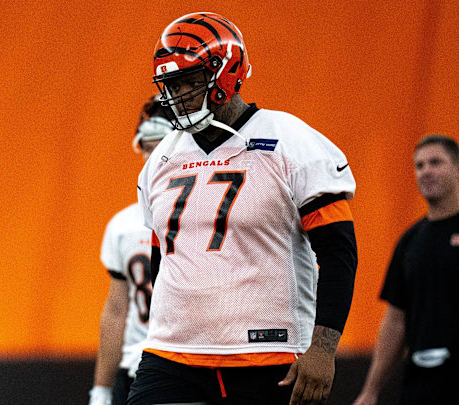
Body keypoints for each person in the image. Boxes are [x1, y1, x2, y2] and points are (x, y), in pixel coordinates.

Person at [127, 12, 358, 405]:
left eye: (188, 81)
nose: (177, 94)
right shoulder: (161, 159)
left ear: (225, 73)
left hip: (267, 353)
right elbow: (161, 258)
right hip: (171, 353)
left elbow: (338, 253)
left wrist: (323, 347)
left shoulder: (290, 141)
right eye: (171, 84)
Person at [352, 134, 459, 405]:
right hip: (421, 383)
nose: (426, 171)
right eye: (419, 165)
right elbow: (395, 318)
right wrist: (371, 390)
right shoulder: (410, 241)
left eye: (436, 162)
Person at [89, 95, 175, 405]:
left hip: (192, 364)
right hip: (138, 369)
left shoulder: (205, 215)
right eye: (148, 148)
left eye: (162, 146)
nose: (153, 159)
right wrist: (101, 388)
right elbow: (116, 309)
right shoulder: (123, 225)